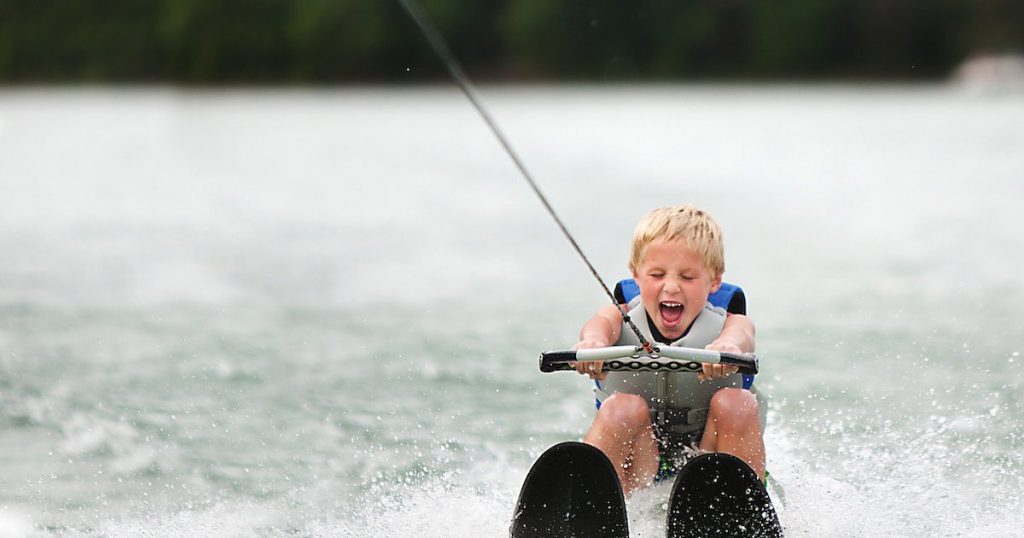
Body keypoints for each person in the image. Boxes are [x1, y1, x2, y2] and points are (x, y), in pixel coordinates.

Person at [572, 205, 766, 495]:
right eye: (657, 274)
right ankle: (589, 506)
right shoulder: (618, 315)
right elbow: (598, 325)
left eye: (687, 277)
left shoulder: (730, 323)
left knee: (736, 404)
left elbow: (742, 335)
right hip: (639, 461)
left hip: (709, 460)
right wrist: (594, 344)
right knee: (622, 408)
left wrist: (728, 347)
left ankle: (742, 508)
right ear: (636, 274)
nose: (671, 287)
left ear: (714, 281)